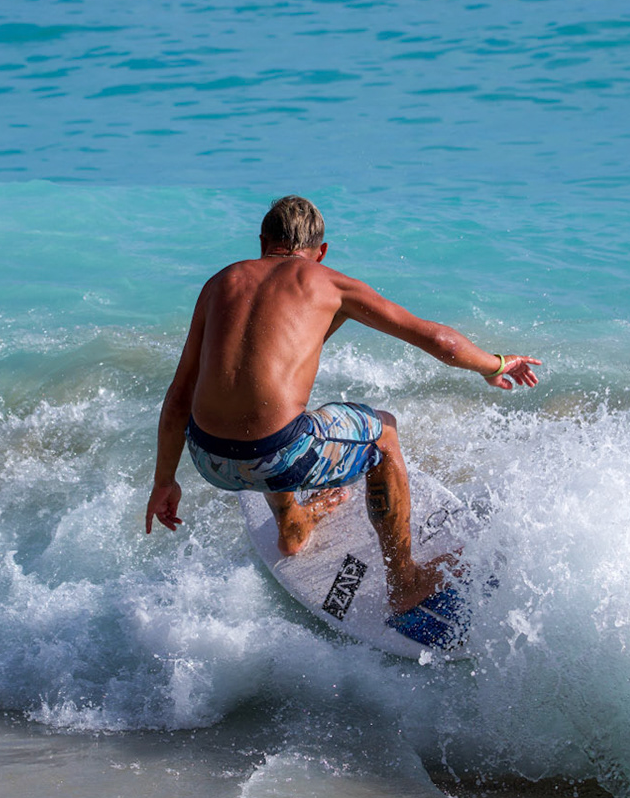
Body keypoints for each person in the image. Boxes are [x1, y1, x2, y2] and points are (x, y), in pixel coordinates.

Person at [143, 196, 539, 612]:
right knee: (383, 432)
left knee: (282, 414)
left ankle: (292, 525)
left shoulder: (220, 283)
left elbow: (179, 395)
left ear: (262, 242)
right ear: (322, 252)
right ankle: (404, 582)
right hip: (277, 457)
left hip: (209, 461)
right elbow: (440, 341)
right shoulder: (330, 284)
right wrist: (495, 364)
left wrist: (164, 482)